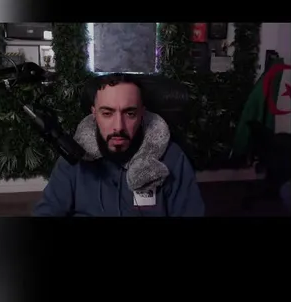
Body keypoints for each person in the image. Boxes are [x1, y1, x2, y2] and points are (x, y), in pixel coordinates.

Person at [33, 74, 205, 217]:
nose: (119, 127)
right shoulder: (74, 158)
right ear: (94, 114)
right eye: (107, 113)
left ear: (142, 114)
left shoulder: (173, 158)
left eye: (130, 113)